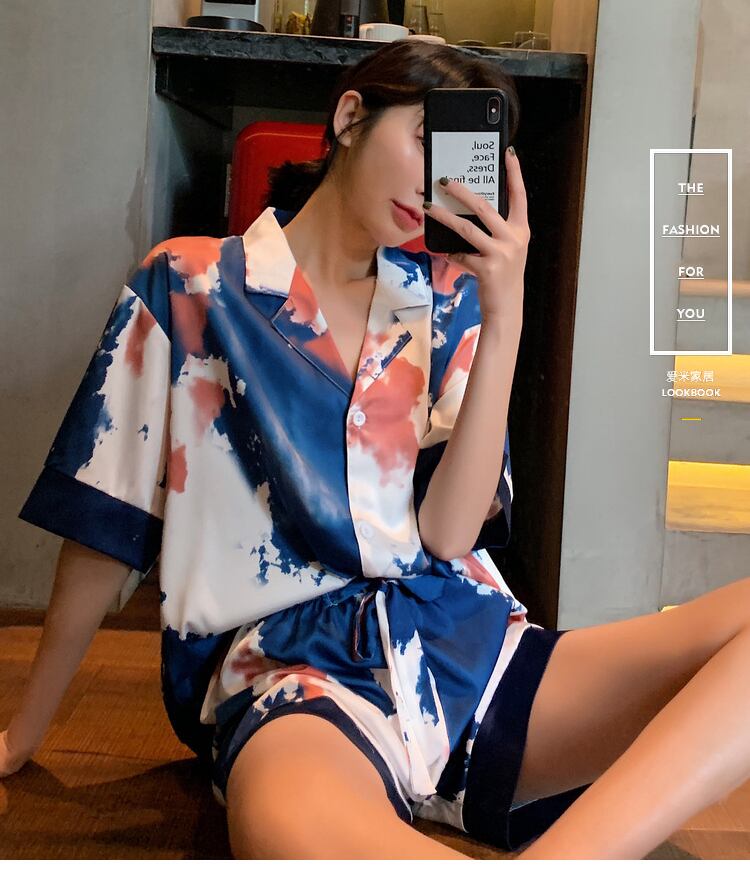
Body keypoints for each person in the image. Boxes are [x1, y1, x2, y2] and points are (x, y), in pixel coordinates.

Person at [4, 39, 750, 861]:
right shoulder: (189, 284)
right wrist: (24, 732)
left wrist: (505, 311)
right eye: (425, 141)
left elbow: (449, 533)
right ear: (351, 116)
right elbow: (104, 518)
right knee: (285, 828)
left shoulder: (450, 299)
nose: (443, 182)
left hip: (459, 648)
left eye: (462, 157)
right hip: (291, 676)